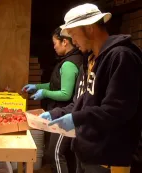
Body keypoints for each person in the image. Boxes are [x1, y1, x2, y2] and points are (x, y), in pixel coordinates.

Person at [39, 3, 142, 173]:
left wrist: (76, 119)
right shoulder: (89, 61)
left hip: (110, 159)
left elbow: (117, 110)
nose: (73, 41)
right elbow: (79, 103)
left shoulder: (121, 57)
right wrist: (56, 114)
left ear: (89, 28)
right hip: (87, 154)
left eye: (73, 34)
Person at [22, 26, 83, 173]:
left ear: (65, 42)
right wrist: (37, 87)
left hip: (65, 115)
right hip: (63, 113)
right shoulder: (69, 60)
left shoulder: (69, 64)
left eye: (55, 43)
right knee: (66, 154)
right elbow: (56, 84)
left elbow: (65, 94)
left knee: (55, 153)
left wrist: (45, 93)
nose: (54, 47)